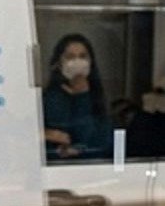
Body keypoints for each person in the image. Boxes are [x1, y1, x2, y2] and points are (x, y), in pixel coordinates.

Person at [40, 32, 115, 163]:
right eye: (70, 57)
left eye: (82, 56)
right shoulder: (51, 98)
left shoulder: (96, 95)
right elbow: (70, 141)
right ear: (58, 63)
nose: (77, 62)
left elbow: (101, 142)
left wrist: (82, 95)